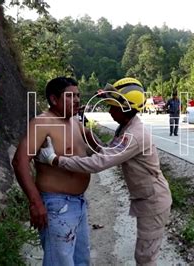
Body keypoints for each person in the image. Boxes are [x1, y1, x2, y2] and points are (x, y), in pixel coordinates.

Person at [36, 77, 172, 266]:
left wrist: (55, 159)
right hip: (147, 197)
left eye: (113, 107)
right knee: (145, 254)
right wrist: (89, 135)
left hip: (154, 201)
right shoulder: (126, 127)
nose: (109, 111)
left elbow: (99, 162)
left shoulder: (133, 135)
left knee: (145, 257)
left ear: (125, 108)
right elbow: (109, 151)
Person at [12, 77, 102, 266]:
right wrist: (36, 203)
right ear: (54, 99)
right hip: (57, 205)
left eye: (78, 95)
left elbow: (101, 149)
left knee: (81, 261)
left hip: (79, 204)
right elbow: (20, 161)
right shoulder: (42, 123)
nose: (77, 100)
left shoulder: (75, 123)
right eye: (71, 96)